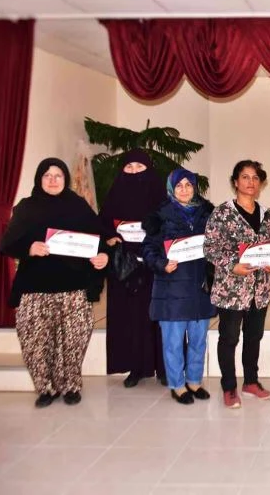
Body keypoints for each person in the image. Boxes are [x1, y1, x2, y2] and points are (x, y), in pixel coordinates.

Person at [0, 158, 109, 408]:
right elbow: (6, 244)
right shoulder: (26, 207)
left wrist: (104, 255)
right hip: (35, 289)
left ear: (65, 179)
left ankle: (71, 386)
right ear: (39, 178)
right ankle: (45, 388)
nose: (52, 180)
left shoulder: (78, 206)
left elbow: (99, 238)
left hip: (74, 288)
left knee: (74, 339)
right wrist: (29, 247)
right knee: (35, 342)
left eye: (57, 175)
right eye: (47, 175)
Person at [204, 160, 270, 409]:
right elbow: (209, 248)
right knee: (229, 338)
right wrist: (231, 265)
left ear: (261, 183)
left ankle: (251, 382)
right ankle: (229, 387)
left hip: (260, 289)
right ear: (236, 182)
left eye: (255, 178)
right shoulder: (222, 213)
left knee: (254, 337)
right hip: (232, 290)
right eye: (245, 177)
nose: (250, 182)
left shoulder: (267, 214)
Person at [142, 168, 215, 405]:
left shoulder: (208, 214)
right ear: (172, 189)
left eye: (189, 185)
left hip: (199, 288)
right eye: (179, 185)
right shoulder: (160, 216)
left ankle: (194, 381)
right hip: (171, 288)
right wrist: (162, 264)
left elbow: (217, 246)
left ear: (195, 188)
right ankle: (177, 384)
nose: (184, 189)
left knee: (198, 340)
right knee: (173, 342)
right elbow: (148, 250)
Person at [98, 149, 166, 388]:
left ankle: (163, 367)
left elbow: (170, 224)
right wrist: (110, 238)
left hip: (154, 265)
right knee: (130, 317)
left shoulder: (160, 197)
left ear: (149, 170)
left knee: (158, 315)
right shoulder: (114, 196)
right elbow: (103, 225)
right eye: (129, 168)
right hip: (125, 267)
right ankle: (135, 367)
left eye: (140, 167)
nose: (134, 172)